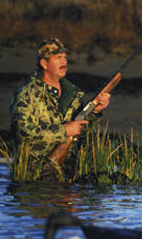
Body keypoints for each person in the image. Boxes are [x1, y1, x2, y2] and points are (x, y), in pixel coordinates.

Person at [9, 38, 110, 182]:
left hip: (66, 169)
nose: (64, 62)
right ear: (44, 63)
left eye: (64, 58)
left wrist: (95, 112)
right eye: (58, 58)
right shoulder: (26, 94)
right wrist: (64, 131)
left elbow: (80, 132)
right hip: (32, 172)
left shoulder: (72, 93)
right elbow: (22, 133)